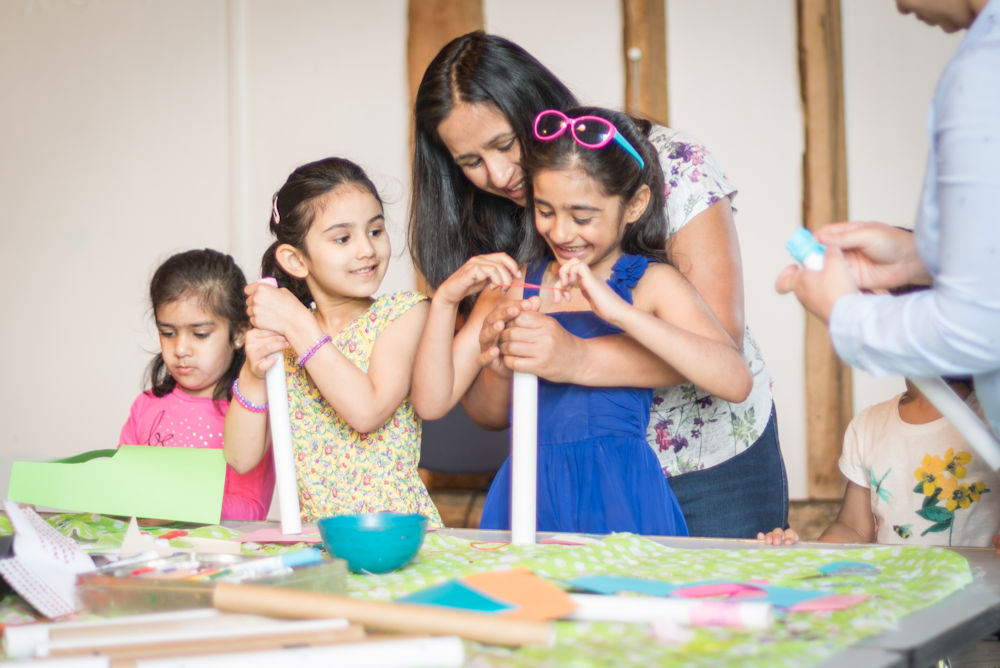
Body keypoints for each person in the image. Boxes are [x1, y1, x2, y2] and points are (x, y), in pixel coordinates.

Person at [410, 31, 787, 538]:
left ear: (633, 206)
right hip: (546, 491)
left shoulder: (654, 259)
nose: (498, 175)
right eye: (470, 162)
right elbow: (450, 402)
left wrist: (578, 354)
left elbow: (725, 358)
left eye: (503, 144)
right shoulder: (513, 278)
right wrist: (481, 340)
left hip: (702, 466)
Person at [775, 0, 1000, 441]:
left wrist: (847, 314)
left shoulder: (983, 71)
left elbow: (978, 327)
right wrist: (919, 259)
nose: (896, 6)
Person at [223, 157, 442, 526]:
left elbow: (366, 412)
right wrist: (252, 372)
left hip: (396, 532)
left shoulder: (404, 313)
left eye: (375, 231)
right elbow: (241, 459)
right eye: (343, 238)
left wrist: (296, 321)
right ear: (295, 260)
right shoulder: (284, 340)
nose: (366, 250)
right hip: (317, 537)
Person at [120, 249, 275, 521]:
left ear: (239, 333)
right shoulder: (145, 406)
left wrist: (177, 503)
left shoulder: (249, 414)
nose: (180, 349)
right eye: (167, 333)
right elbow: (121, 491)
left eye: (200, 334)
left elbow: (252, 510)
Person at [758, 376, 999, 547]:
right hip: (898, 592)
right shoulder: (868, 425)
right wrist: (808, 555)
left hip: (979, 600)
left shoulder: (991, 421)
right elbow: (853, 528)